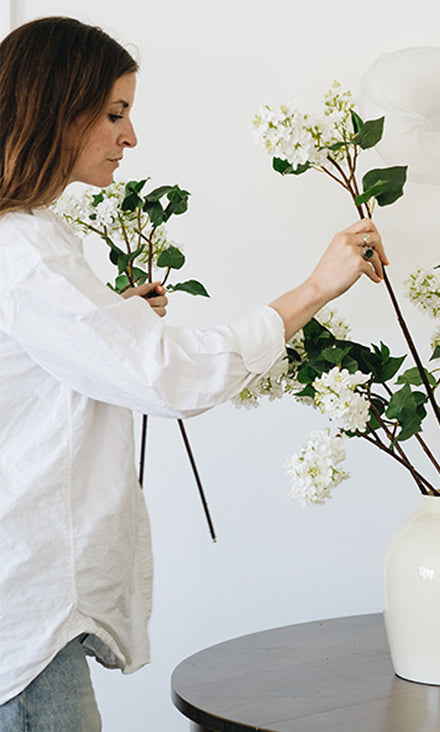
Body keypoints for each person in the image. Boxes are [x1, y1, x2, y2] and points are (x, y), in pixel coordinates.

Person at [0, 16, 387, 730]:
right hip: (26, 625)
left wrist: (110, 324)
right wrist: (313, 290)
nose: (130, 137)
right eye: (116, 113)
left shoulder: (29, 242)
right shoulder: (25, 255)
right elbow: (171, 378)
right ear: (58, 107)